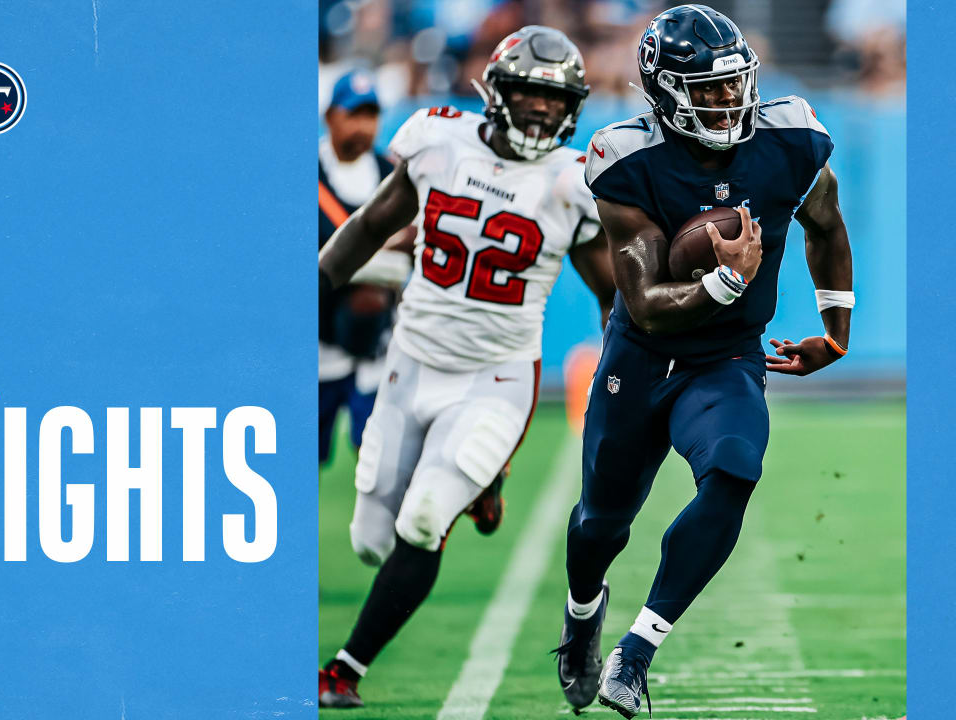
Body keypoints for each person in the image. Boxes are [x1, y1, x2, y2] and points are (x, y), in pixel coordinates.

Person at [553, 5, 854, 718]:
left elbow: (826, 225)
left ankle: (637, 649)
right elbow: (647, 300)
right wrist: (726, 280)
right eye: (707, 89)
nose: (727, 101)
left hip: (725, 359)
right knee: (602, 522)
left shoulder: (792, 139)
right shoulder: (626, 157)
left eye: (733, 84)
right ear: (664, 92)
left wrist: (836, 330)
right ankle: (582, 617)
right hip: (643, 355)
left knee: (734, 471)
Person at [317, 26, 616, 708]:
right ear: (496, 92)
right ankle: (484, 484)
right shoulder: (438, 141)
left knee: (422, 522)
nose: (542, 110)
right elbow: (368, 226)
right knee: (369, 541)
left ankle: (346, 668)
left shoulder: (573, 182)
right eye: (529, 93)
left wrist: (623, 379)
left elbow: (612, 297)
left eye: (554, 98)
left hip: (496, 377)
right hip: (412, 360)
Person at [319, 70, 413, 469]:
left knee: (382, 463)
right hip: (317, 344)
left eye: (371, 115)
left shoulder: (392, 175)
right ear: (330, 117)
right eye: (354, 114)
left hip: (378, 346)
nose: (363, 126)